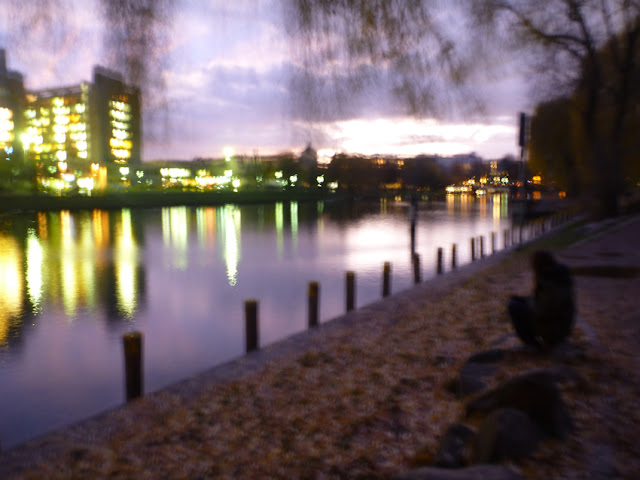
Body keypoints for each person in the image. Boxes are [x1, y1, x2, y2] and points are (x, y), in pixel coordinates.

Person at [508, 250, 574, 349]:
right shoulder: (559, 277)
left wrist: (525, 303)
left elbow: (541, 310)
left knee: (513, 306)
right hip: (561, 326)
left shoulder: (549, 282)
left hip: (554, 329)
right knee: (517, 302)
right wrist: (525, 300)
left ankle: (532, 345)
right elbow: (544, 302)